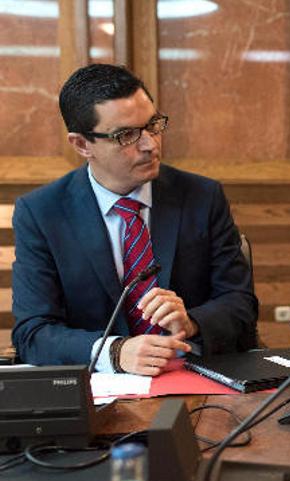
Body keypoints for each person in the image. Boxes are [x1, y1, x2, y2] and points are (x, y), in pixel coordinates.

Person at [12, 64, 258, 376]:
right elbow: (32, 333)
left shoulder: (202, 196)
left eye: (153, 125)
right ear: (82, 144)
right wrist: (113, 351)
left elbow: (240, 304)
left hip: (192, 378)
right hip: (100, 391)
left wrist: (193, 321)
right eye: (126, 135)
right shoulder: (42, 213)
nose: (150, 145)